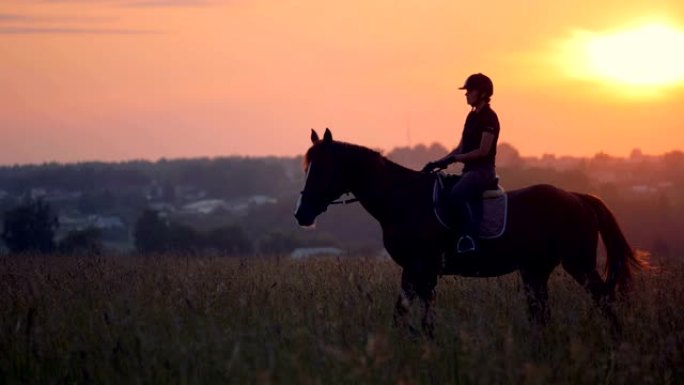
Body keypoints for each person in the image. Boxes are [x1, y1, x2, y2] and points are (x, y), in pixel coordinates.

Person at [422, 73, 500, 253]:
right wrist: (438, 162)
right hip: (470, 171)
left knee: (457, 194)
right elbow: (461, 148)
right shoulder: (471, 117)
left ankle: (470, 237)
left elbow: (483, 151)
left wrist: (455, 159)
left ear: (481, 93)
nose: (466, 94)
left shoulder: (489, 117)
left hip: (483, 172)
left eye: (469, 91)